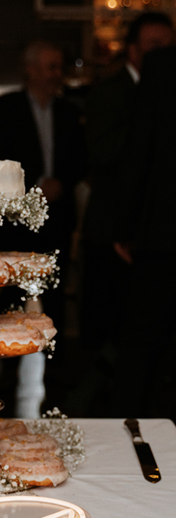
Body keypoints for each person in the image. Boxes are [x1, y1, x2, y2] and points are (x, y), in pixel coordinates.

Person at [0, 40, 88, 417]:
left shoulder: (69, 111)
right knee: (12, 297)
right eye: (49, 66)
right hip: (17, 221)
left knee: (55, 295)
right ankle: (8, 369)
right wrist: (30, 188)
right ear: (29, 69)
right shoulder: (5, 108)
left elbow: (81, 158)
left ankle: (54, 370)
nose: (55, 74)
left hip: (57, 218)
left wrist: (62, 180)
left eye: (59, 66)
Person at [77, 13, 173, 414]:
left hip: (153, 231)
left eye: (165, 43)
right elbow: (111, 154)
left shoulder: (161, 74)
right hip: (126, 232)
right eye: (153, 44)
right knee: (116, 332)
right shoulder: (112, 90)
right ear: (132, 49)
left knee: (144, 343)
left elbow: (140, 156)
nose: (160, 51)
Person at [108, 44, 176, 420]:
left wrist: (126, 226)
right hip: (164, 233)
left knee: (143, 344)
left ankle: (134, 439)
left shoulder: (163, 64)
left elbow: (140, 148)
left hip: (165, 232)